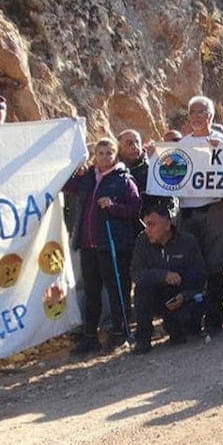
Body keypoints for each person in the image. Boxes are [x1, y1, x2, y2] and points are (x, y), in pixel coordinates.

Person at [62, 137, 141, 354]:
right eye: (101, 153)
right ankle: (90, 336)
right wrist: (75, 170)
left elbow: (135, 207)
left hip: (113, 243)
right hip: (88, 244)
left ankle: (120, 333)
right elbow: (66, 185)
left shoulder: (123, 179)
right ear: (95, 156)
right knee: (91, 291)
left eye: (109, 153)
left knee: (116, 289)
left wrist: (113, 206)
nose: (105, 157)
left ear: (116, 155)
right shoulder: (88, 177)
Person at [173, 96, 223, 334]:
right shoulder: (182, 144)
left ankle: (215, 318)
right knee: (191, 265)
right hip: (188, 212)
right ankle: (192, 319)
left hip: (215, 210)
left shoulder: (222, 141)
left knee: (215, 264)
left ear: (210, 116)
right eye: (192, 112)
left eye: (201, 112)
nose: (196, 116)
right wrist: (156, 155)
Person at [131, 203, 207, 354]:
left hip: (179, 294)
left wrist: (184, 296)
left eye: (152, 224)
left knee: (180, 334)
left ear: (167, 224)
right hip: (154, 293)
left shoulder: (187, 242)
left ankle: (178, 328)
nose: (147, 230)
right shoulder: (142, 242)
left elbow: (200, 276)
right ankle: (143, 338)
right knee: (142, 288)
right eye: (146, 225)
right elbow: (136, 273)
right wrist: (163, 275)